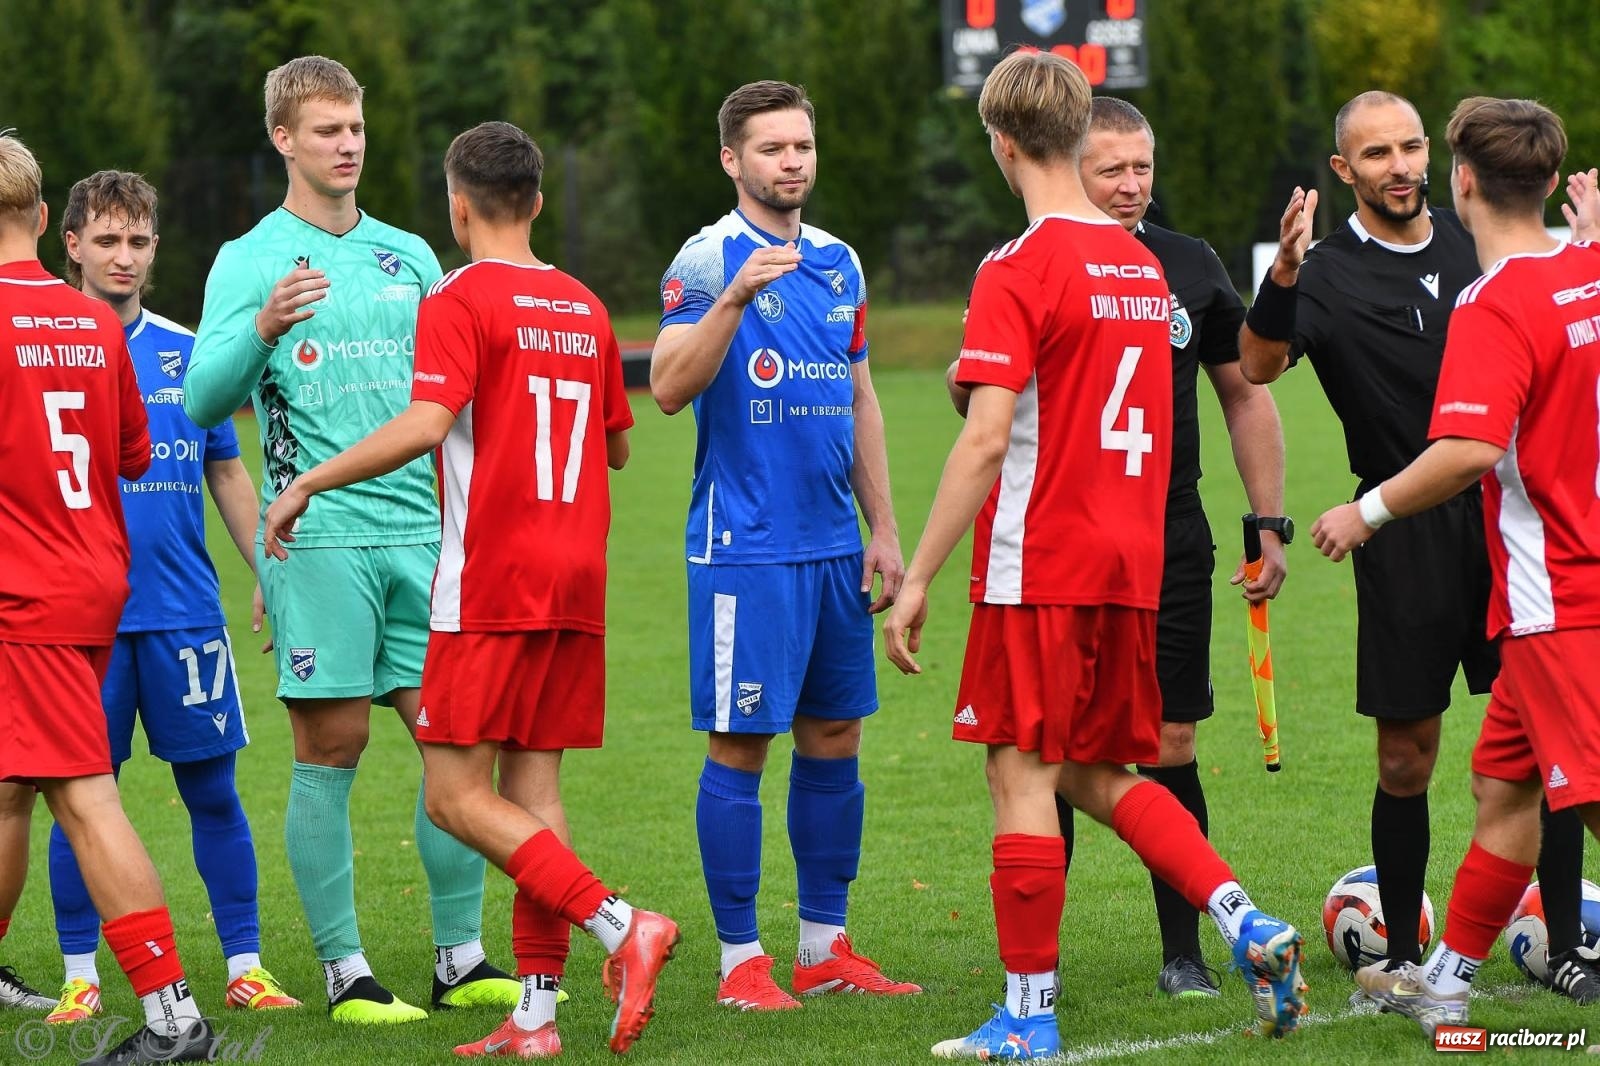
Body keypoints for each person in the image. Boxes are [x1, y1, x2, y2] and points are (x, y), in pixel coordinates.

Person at [883, 52, 1306, 1059]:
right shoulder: (1139, 266)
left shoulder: (1017, 266)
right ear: (1077, 139)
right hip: (1133, 559)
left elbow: (986, 438)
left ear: (1001, 142)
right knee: (1093, 769)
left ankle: (1026, 1018)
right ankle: (1244, 919)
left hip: (1041, 560)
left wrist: (920, 576)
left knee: (1017, 770)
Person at [262, 119, 677, 1058]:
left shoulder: (456, 298)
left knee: (455, 796)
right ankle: (535, 1017)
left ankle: (619, 924)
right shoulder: (584, 304)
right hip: (578, 577)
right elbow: (615, 444)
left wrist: (309, 482)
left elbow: (425, 422)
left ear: (458, 207)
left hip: (489, 579)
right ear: (535, 201)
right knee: (533, 792)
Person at [1237, 90, 1592, 997]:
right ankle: (1419, 965)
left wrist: (1366, 514)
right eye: (1377, 153)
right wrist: (1283, 275)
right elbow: (1259, 366)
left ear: (1449, 167)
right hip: (1421, 535)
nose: (1400, 166)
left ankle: (1561, 950)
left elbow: (1487, 430)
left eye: (1411, 148)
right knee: (1447, 767)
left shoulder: (1486, 266)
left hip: (1516, 536)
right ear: (1342, 170)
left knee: (1559, 765)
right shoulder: (1329, 269)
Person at [185, 55, 514, 1021]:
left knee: (451, 744)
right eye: (327, 130)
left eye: (356, 128)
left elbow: (449, 397)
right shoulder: (248, 259)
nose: (349, 144)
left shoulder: (410, 255)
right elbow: (204, 403)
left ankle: (460, 956)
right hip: (317, 542)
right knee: (332, 746)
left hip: (425, 536)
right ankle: (345, 972)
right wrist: (260, 327)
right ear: (284, 139)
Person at [650, 79, 919, 1011]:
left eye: (802, 146)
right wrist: (731, 300)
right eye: (772, 149)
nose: (792, 162)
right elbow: (669, 388)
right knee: (741, 745)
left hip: (830, 547)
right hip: (747, 548)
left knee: (835, 735)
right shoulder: (704, 257)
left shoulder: (840, 262)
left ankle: (823, 947)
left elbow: (860, 398)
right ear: (734, 160)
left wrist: (881, 529)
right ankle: (738, 962)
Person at [41, 169, 299, 1026]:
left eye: (138, 242)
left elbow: (226, 467)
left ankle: (245, 963)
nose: (123, 257)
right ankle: (80, 973)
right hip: (83, 623)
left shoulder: (191, 357)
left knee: (215, 793)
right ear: (68, 243)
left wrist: (267, 567)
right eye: (106, 241)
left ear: (156, 248)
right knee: (82, 798)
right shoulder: (47, 350)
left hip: (185, 614)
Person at [0, 131, 214, 1064]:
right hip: (92, 578)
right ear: (49, 222)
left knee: (84, 795)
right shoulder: (93, 322)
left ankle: (173, 1019)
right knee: (12, 787)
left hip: (25, 594)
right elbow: (130, 453)